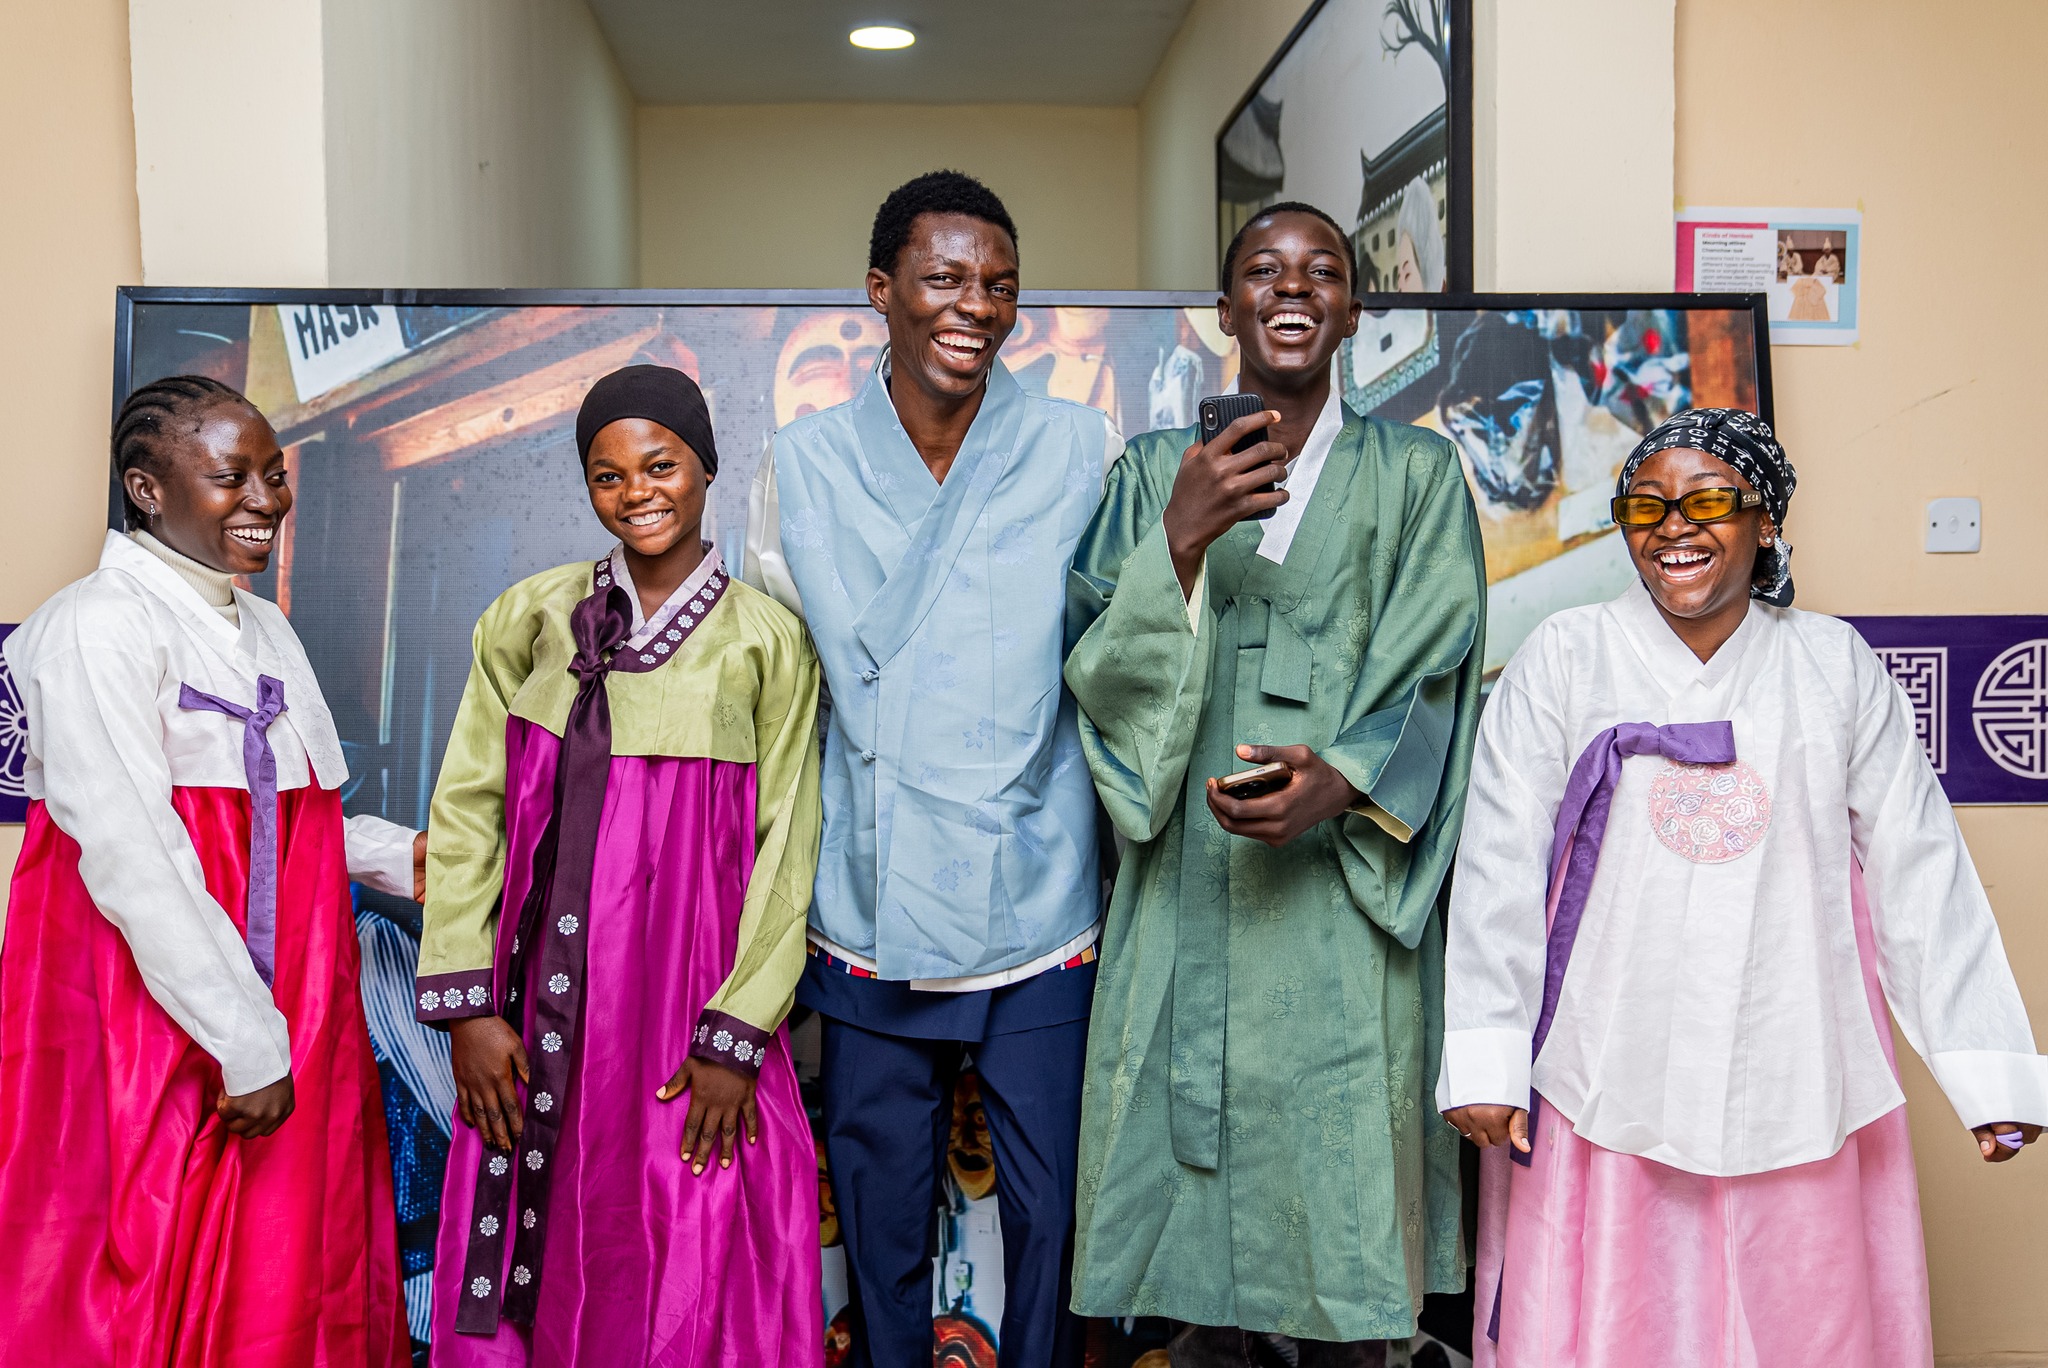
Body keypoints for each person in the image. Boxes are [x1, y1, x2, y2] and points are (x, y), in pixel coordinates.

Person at [1439, 408, 2048, 1366]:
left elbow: (1919, 869)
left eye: (1710, 500)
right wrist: (1484, 1058)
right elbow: (1497, 865)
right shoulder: (1566, 656)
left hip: (1796, 1063)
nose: (1675, 525)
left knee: (1806, 1323)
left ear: (1765, 520)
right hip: (1607, 1067)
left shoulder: (1832, 663)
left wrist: (1986, 1072)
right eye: (1646, 505)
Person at [1065, 201, 1487, 1366]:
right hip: (1188, 895)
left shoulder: (1416, 475)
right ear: (1222, 312)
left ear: (1353, 310)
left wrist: (1342, 782)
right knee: (1196, 1278)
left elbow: (1440, 673)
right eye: (1261, 269)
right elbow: (1100, 674)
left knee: (1348, 1246)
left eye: (1320, 272)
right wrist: (1181, 540)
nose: (1290, 288)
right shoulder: (1152, 471)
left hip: (1340, 919)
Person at [743, 169, 1121, 1368]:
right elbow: (776, 679)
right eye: (945, 279)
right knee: (880, 1210)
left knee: (1056, 1211)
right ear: (880, 292)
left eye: (999, 287)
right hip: (873, 891)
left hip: (1035, 879)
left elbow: (1121, 649)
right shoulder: (795, 468)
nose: (975, 307)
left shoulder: (1079, 445)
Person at [0, 375, 421, 1367]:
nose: (267, 501)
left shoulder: (263, 626)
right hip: (155, 1013)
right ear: (148, 489)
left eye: (276, 477)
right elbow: (132, 848)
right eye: (233, 478)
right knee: (145, 1254)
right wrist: (243, 1040)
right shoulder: (96, 625)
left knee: (286, 1257)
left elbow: (289, 817)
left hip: (295, 1003)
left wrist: (406, 856)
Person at [415, 364, 823, 1364]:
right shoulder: (529, 620)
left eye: (660, 465)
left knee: (688, 1245)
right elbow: (467, 813)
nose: (637, 490)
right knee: (537, 1237)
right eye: (608, 475)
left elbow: (790, 844)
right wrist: (470, 1009)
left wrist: (736, 1037)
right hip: (535, 1013)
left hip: (684, 1014)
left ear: (705, 468)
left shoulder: (764, 643)